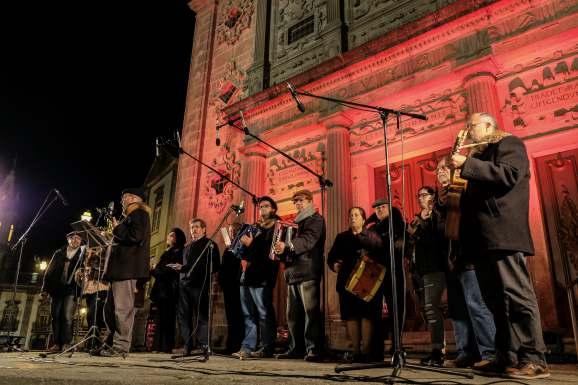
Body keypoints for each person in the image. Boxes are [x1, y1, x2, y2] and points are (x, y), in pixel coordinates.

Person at [450, 112, 549, 379]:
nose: (468, 133)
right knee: (495, 301)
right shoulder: (480, 157)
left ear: (488, 126)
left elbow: (510, 174)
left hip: (503, 233)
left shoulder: (509, 143)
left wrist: (467, 163)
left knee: (517, 296)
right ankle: (506, 356)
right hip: (481, 240)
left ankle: (534, 358)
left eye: (471, 127)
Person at [436, 160, 496, 369]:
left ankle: (489, 351)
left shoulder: (464, 188)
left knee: (476, 304)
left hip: (468, 255)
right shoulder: (441, 200)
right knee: (458, 308)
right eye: (438, 170)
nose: (440, 171)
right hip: (451, 260)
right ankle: (465, 352)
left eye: (445, 167)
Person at [274, 189, 326, 362]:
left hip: (307, 270)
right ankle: (296, 348)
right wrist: (278, 250)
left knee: (310, 313)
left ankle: (314, 349)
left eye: (301, 200)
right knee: (292, 314)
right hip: (292, 272)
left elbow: (309, 239)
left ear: (310, 201)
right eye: (295, 201)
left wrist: (287, 245)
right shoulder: (293, 222)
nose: (297, 203)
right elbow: (288, 247)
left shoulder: (316, 219)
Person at [327, 207, 384, 362]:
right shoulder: (342, 237)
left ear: (363, 219)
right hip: (346, 282)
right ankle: (356, 351)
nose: (353, 217)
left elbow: (380, 255)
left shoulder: (372, 235)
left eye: (356, 215)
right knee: (351, 316)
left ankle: (366, 351)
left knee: (366, 315)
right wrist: (334, 265)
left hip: (367, 282)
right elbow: (331, 257)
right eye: (351, 215)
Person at [101, 187, 151, 357]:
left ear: (132, 198)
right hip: (119, 270)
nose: (122, 201)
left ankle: (121, 347)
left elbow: (136, 236)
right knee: (109, 309)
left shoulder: (139, 214)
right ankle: (110, 343)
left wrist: (117, 228)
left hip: (127, 269)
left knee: (122, 309)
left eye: (124, 198)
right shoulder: (130, 216)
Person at [233, 196, 280, 359]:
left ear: (273, 209)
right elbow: (247, 253)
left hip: (263, 274)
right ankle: (247, 346)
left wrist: (251, 244)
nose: (263, 209)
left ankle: (267, 347)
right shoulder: (254, 227)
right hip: (248, 274)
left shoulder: (277, 228)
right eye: (261, 207)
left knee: (264, 312)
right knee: (248, 313)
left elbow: (269, 253)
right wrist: (238, 246)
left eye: (266, 206)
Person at [407, 186, 448, 366]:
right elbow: (409, 240)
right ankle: (436, 348)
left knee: (432, 307)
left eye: (425, 195)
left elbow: (437, 238)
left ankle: (438, 350)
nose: (421, 198)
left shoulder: (437, 216)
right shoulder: (417, 218)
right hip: (418, 270)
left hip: (434, 267)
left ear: (433, 197)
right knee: (425, 309)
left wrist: (424, 222)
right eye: (419, 195)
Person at [366, 198, 406, 359]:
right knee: (374, 310)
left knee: (396, 307)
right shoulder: (373, 227)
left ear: (389, 208)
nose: (380, 210)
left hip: (393, 270)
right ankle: (376, 348)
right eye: (377, 208)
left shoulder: (397, 224)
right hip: (376, 272)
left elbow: (401, 245)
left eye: (383, 207)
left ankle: (397, 345)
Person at [172, 218, 220, 356]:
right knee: (184, 316)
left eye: (197, 227)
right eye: (192, 227)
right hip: (184, 285)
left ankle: (203, 345)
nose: (194, 230)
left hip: (200, 285)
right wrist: (180, 269)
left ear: (204, 229)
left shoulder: (210, 245)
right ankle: (187, 346)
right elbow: (186, 266)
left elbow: (215, 265)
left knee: (201, 316)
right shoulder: (187, 247)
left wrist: (188, 268)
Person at [42, 231, 84, 353]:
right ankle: (57, 343)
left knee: (66, 315)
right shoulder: (59, 253)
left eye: (78, 239)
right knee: (55, 315)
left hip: (71, 288)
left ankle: (67, 343)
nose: (76, 241)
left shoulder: (82, 254)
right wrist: (44, 289)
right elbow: (49, 271)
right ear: (68, 239)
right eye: (73, 238)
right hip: (57, 288)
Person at [150, 228, 186, 353]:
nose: (168, 237)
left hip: (168, 290)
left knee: (167, 318)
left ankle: (165, 346)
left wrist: (155, 269)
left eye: (171, 235)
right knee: (160, 318)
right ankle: (158, 346)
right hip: (162, 289)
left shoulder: (178, 251)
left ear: (177, 238)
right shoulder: (168, 251)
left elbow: (169, 271)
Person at [218, 223, 244, 355]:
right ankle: (230, 345)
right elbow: (223, 266)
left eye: (234, 230)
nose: (232, 233)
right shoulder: (228, 248)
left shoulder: (242, 245)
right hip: (228, 286)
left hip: (238, 285)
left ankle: (238, 345)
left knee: (239, 315)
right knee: (230, 316)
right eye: (230, 231)